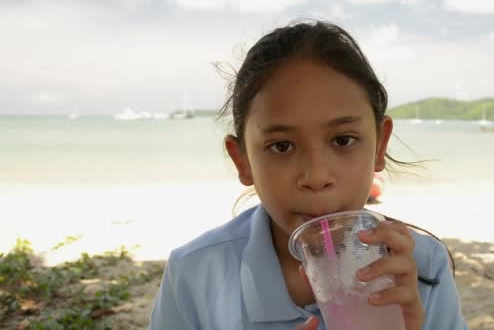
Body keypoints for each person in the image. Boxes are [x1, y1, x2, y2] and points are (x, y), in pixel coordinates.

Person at [149, 20, 468, 330]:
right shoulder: (195, 276)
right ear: (242, 160)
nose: (316, 176)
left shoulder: (419, 267)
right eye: (282, 146)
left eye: (343, 140)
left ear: (379, 145)